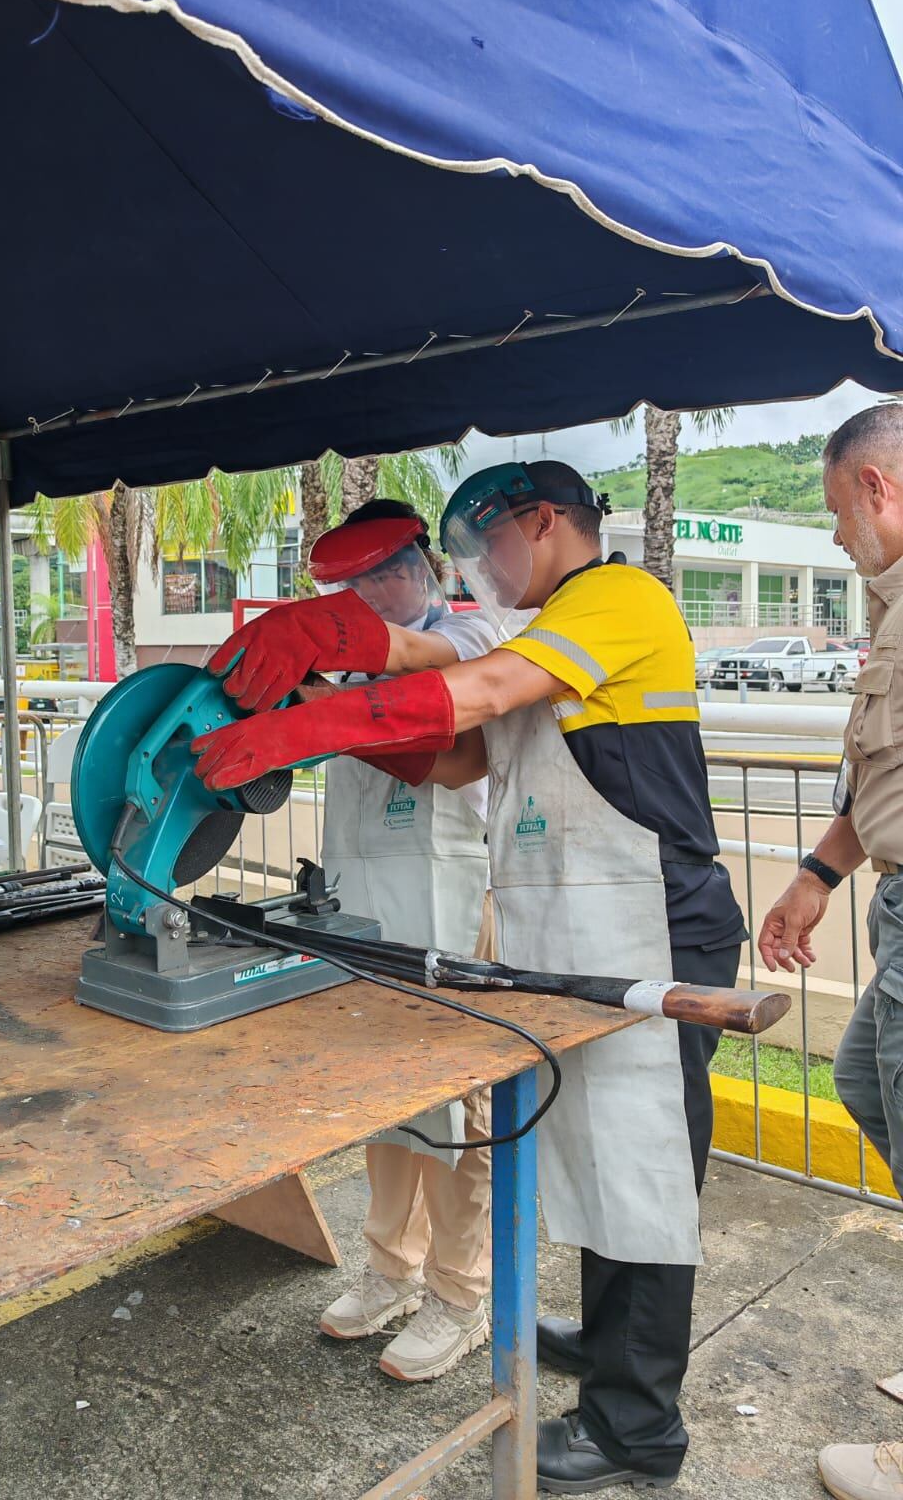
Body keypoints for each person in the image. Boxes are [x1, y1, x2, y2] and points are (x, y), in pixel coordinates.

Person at [196, 459, 746, 1493]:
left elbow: (482, 683)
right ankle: (605, 1338)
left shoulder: (620, 599)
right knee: (597, 1153)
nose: (478, 570)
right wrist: (328, 700)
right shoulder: (556, 630)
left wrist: (310, 719)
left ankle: (639, 1428)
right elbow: (457, 758)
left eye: (485, 545)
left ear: (543, 522)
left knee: (647, 1170)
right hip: (590, 933)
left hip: (662, 931)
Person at [225, 498, 504, 1381]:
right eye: (352, 583)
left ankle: (463, 1297)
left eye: (386, 573)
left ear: (421, 570)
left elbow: (446, 751)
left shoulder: (473, 640)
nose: (375, 592)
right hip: (362, 904)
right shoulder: (332, 670)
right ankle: (391, 1270)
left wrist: (327, 713)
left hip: (452, 901)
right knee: (383, 1098)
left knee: (461, 1109)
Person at [757, 404, 903, 1500]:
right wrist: (817, 874)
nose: (838, 542)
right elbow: (879, 773)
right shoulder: (890, 605)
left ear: (875, 490)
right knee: (862, 1079)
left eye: (836, 517)